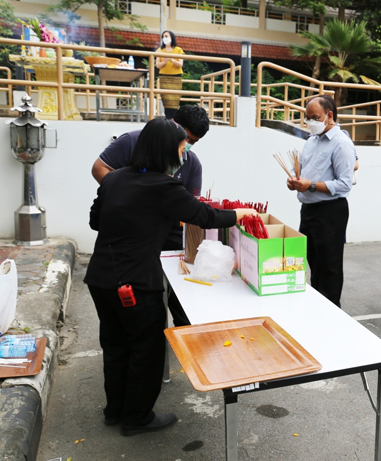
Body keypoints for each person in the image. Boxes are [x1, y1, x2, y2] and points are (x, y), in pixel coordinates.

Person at [84, 117, 258, 436]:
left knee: (115, 343)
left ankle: (115, 410)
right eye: (181, 148)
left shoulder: (115, 179)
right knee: (145, 348)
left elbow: (96, 221)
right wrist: (240, 215)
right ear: (166, 150)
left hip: (100, 277)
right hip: (134, 282)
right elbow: (204, 215)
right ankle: (137, 417)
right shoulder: (165, 187)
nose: (184, 155)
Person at [90, 104, 210, 326]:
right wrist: (135, 198)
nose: (188, 147)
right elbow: (100, 169)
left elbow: (193, 207)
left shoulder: (191, 163)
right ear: (174, 126)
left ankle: (184, 328)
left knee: (177, 286)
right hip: (129, 237)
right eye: (187, 139)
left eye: (193, 143)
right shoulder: (131, 142)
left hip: (168, 231)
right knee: (138, 299)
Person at [286, 95, 356, 308]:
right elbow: (301, 169)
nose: (310, 122)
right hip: (308, 209)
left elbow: (345, 184)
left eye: (315, 117)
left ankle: (332, 311)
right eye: (307, 118)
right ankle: (318, 308)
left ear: (329, 115)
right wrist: (294, 180)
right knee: (313, 262)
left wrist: (312, 185)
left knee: (329, 266)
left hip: (330, 211)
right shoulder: (311, 141)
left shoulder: (341, 143)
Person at [155, 31, 184, 119]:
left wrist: (172, 60)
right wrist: (164, 61)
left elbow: (180, 64)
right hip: (164, 76)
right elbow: (157, 65)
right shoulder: (160, 50)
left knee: (174, 99)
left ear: (171, 37)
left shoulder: (178, 50)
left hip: (176, 77)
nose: (165, 38)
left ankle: (174, 118)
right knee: (166, 99)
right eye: (163, 37)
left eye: (166, 36)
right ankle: (168, 118)